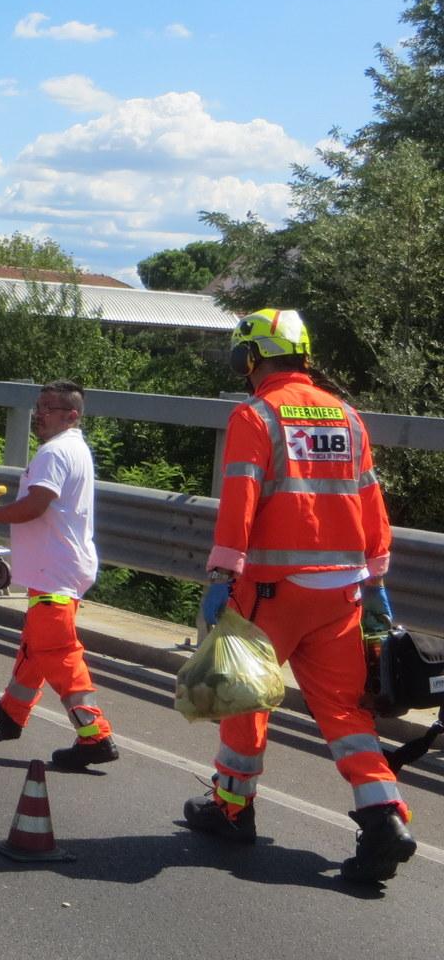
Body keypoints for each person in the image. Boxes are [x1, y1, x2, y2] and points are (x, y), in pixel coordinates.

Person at [183, 309, 416, 885]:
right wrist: (377, 580)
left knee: (243, 698)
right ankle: (384, 816)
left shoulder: (256, 414)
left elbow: (239, 498)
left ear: (253, 358)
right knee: (346, 713)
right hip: (341, 592)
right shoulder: (347, 415)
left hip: (270, 591)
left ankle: (232, 810)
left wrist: (220, 576)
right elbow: (370, 502)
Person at [0, 380, 118, 770]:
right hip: (60, 566)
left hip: (56, 570)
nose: (39, 414)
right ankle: (12, 711)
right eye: (38, 407)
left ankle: (94, 735)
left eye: (48, 408)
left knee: (56, 651)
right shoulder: (73, 448)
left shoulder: (55, 452)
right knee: (37, 643)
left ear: (72, 415)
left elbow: (36, 505)